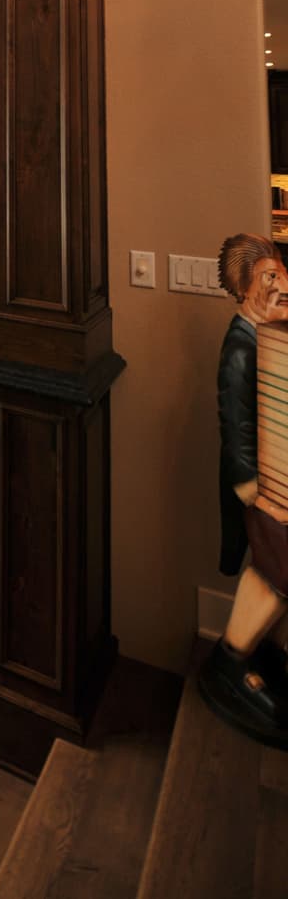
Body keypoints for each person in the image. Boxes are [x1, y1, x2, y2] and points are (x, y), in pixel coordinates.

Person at [199, 232, 288, 744]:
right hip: (260, 489)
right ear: (243, 289)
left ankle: (259, 650)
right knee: (275, 569)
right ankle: (233, 657)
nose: (280, 285)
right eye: (268, 278)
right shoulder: (240, 347)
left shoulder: (267, 338)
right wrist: (250, 486)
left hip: (276, 484)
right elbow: (235, 423)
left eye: (280, 274)